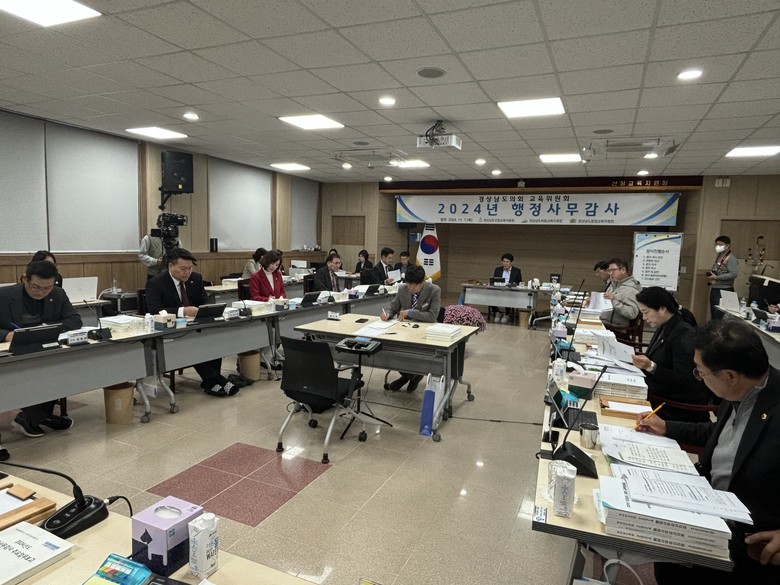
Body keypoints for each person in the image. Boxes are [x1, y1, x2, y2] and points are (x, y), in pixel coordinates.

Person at [636, 319, 780, 584]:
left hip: (749, 538)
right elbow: (720, 434)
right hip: (708, 504)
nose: (699, 378)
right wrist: (667, 426)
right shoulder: (740, 391)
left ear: (730, 376)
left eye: (701, 372)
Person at [0, 261, 81, 436]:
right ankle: (38, 417)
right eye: (35, 287)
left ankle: (34, 417)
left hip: (45, 348)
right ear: (25, 279)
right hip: (13, 351)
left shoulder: (58, 294)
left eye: (47, 288)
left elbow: (74, 320)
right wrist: (6, 334)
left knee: (60, 368)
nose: (41, 292)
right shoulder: (4, 295)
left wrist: (46, 329)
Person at [145, 248, 238, 397]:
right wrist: (183, 311)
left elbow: (205, 301)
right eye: (183, 269)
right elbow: (155, 310)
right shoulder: (156, 283)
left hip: (196, 327)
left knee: (213, 339)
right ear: (171, 266)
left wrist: (207, 309)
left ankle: (211, 383)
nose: (187, 272)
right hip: (172, 332)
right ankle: (218, 380)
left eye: (190, 268)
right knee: (192, 344)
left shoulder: (196, 278)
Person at [631, 287, 713, 422]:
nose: (644, 318)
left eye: (646, 312)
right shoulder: (665, 325)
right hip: (658, 391)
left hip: (674, 406)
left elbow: (685, 379)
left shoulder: (682, 333)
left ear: (662, 309)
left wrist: (651, 367)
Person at [380, 265, 441, 392]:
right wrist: (388, 314)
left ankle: (408, 377)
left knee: (416, 353)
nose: (411, 287)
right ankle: (412, 376)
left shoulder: (434, 290)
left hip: (425, 332)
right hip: (405, 330)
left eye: (414, 285)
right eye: (408, 283)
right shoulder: (403, 289)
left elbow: (432, 316)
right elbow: (393, 307)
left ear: (422, 282)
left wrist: (411, 312)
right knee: (392, 350)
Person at [600, 258, 641, 327]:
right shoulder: (613, 285)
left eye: (613, 270)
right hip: (603, 322)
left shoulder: (631, 289)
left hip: (616, 327)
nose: (611, 273)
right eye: (609, 271)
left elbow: (632, 313)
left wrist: (613, 301)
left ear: (623, 270)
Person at [707, 235, 738, 320]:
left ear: (727, 245)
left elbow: (734, 274)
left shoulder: (731, 258)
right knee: (714, 313)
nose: (717, 246)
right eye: (716, 244)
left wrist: (717, 277)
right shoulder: (719, 256)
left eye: (720, 244)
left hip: (725, 289)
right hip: (715, 288)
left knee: (720, 315)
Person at [491, 253, 523, 324]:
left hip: (510, 290)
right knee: (491, 295)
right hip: (499, 290)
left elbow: (519, 282)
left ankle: (507, 314)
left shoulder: (516, 271)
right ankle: (497, 313)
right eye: (504, 261)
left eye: (507, 262)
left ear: (511, 262)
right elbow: (494, 280)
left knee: (509, 296)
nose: (505, 263)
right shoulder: (498, 270)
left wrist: (513, 284)